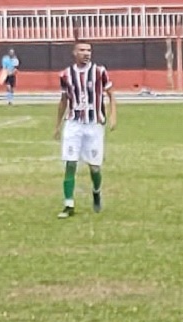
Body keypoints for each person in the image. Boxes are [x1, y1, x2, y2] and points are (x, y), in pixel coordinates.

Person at [53, 41, 116, 218]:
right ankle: (68, 204)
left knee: (94, 167)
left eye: (89, 50)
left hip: (94, 124)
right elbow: (63, 100)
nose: (86, 53)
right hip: (73, 124)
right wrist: (58, 125)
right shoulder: (66, 74)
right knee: (70, 163)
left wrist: (113, 116)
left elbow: (111, 95)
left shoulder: (99, 72)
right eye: (82, 50)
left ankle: (96, 191)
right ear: (74, 53)